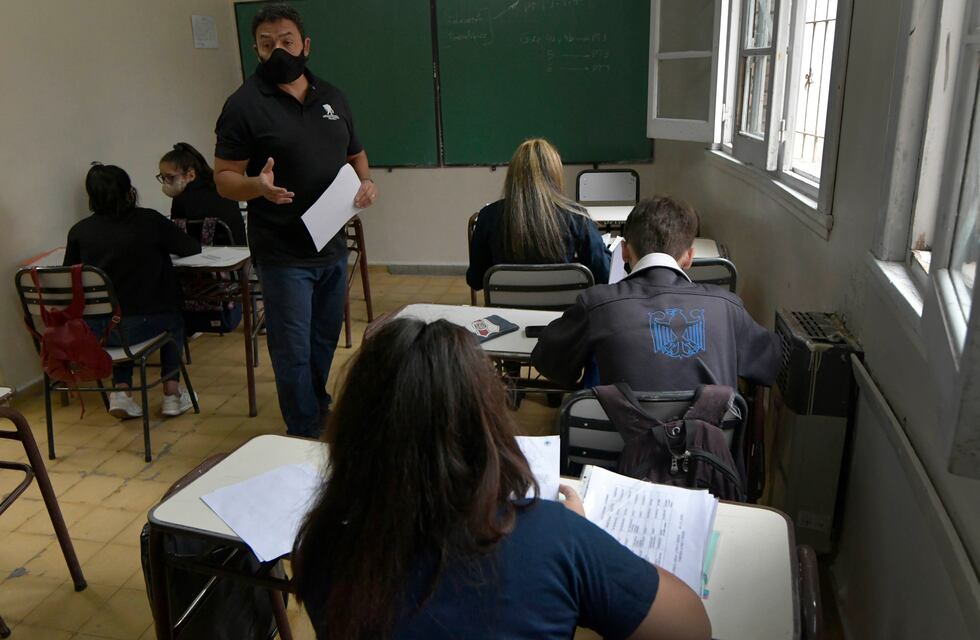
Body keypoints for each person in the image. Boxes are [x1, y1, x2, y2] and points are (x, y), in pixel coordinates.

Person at [291, 317, 711, 640]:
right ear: (485, 425)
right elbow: (691, 627)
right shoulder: (555, 536)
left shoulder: (322, 546)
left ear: (352, 431)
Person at [212, 3, 378, 438]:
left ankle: (316, 403)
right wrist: (258, 187)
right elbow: (224, 179)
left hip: (331, 242)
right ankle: (304, 429)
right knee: (292, 346)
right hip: (282, 250)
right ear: (256, 51)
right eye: (267, 45)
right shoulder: (243, 105)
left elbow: (355, 154)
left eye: (286, 41)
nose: (278, 51)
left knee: (325, 336)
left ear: (305, 44)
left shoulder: (333, 96)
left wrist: (367, 183)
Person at [532, 197, 780, 390]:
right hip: (706, 450)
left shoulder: (597, 304)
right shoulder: (727, 307)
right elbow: (769, 365)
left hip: (616, 449)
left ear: (625, 252)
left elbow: (550, 363)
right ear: (689, 257)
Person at [64, 164, 201, 418]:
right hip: (140, 325)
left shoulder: (79, 232)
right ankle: (171, 394)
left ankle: (121, 391)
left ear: (91, 197)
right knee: (174, 320)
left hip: (97, 332)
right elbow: (191, 247)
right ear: (129, 192)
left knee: (118, 313)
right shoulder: (149, 220)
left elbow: (68, 275)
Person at [466, 138, 610, 290]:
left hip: (505, 311)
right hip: (561, 312)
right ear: (555, 173)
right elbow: (605, 275)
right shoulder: (576, 217)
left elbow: (475, 280)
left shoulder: (488, 217)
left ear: (513, 174)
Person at [158, 142, 246, 245]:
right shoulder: (220, 186)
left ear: (191, 175)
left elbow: (179, 240)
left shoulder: (182, 199)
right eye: (163, 177)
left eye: (170, 177)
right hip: (240, 253)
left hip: (209, 256)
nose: (166, 182)